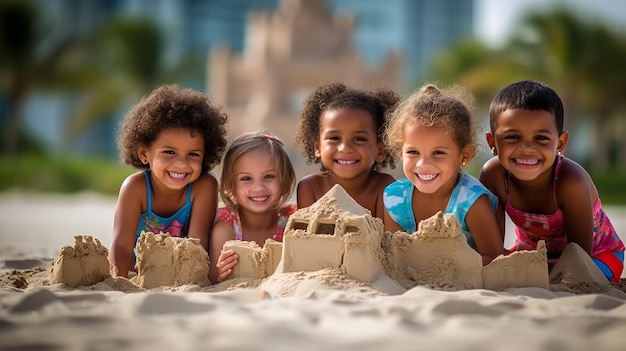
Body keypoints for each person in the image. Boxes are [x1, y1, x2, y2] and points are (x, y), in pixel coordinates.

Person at [480, 80, 625, 281]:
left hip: (598, 255)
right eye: (513, 137)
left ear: (560, 143)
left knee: (576, 278)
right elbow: (493, 248)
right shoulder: (493, 175)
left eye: (541, 138)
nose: (527, 148)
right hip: (534, 254)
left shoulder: (570, 181)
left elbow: (579, 258)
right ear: (492, 143)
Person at [110, 84, 228, 278]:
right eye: (169, 152)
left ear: (205, 155)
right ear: (144, 154)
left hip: (180, 272)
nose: (181, 164)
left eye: (193, 154)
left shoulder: (204, 186)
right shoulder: (135, 188)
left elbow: (197, 245)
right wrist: (118, 283)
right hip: (138, 271)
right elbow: (121, 246)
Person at [383, 84, 504, 265]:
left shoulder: (471, 202)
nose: (423, 164)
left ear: (464, 156)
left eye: (438, 153)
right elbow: (393, 255)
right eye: (413, 152)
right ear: (400, 152)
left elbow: (495, 259)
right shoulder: (395, 198)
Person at [295, 82, 399, 218]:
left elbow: (392, 238)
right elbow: (303, 236)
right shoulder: (310, 187)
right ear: (318, 147)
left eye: (359, 139)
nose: (345, 148)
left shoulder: (385, 188)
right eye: (334, 138)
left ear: (380, 151)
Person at [210, 131, 297, 283]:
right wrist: (220, 273)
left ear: (286, 180)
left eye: (269, 176)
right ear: (230, 184)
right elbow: (211, 280)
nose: (258, 188)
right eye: (246, 178)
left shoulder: (293, 222)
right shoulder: (225, 228)